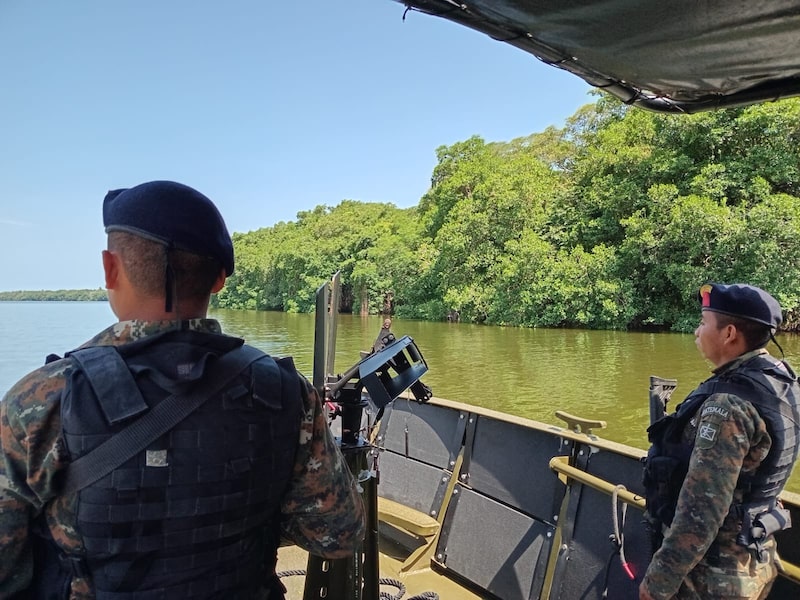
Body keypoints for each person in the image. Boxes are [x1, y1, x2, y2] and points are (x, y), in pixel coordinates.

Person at [0, 180, 365, 599]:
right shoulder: (285, 394)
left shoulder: (41, 401)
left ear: (109, 268)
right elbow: (339, 536)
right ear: (220, 281)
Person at [641, 283, 800, 600]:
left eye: (703, 323)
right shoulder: (783, 380)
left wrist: (658, 582)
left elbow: (701, 511)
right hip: (755, 556)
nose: (697, 333)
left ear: (729, 334)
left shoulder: (727, 406)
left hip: (711, 577)